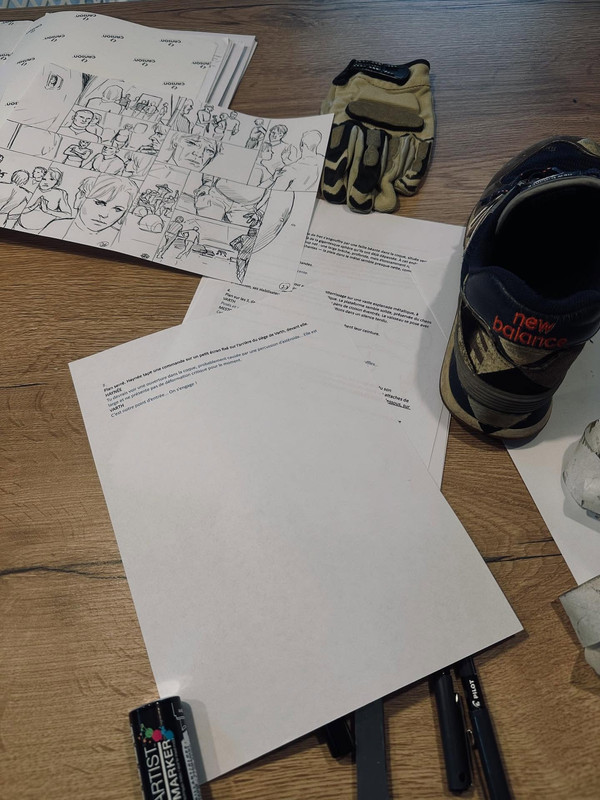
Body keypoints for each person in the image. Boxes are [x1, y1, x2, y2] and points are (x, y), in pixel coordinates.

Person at [44, 174, 138, 247]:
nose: (104, 214)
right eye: (99, 203)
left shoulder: (119, 239)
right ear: (80, 197)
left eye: (118, 209)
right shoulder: (57, 226)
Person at [16, 167, 73, 234]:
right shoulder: (30, 190)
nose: (46, 182)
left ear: (57, 181)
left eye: (52, 179)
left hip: (44, 231)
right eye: (43, 179)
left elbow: (68, 215)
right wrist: (33, 206)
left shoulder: (60, 193)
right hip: (19, 227)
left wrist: (47, 211)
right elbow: (16, 210)